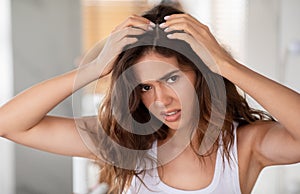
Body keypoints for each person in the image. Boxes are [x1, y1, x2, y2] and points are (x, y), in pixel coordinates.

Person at [0, 3, 299, 194]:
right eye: (145, 87)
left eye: (171, 78)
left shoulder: (244, 146)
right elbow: (9, 124)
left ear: (202, 75)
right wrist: (95, 68)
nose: (162, 101)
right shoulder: (123, 142)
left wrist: (226, 66)